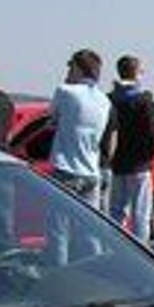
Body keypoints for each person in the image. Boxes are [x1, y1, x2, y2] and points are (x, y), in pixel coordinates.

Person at [105, 54, 154, 236]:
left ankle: (117, 250)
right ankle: (141, 253)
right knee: (140, 215)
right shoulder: (143, 101)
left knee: (116, 212)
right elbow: (152, 132)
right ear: (136, 73)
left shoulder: (110, 99)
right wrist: (150, 156)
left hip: (117, 164)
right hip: (139, 165)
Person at [48, 49, 111, 205]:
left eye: (70, 67)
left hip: (66, 170)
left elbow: (52, 120)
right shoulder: (104, 100)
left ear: (77, 68)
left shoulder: (65, 91)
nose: (68, 71)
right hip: (92, 173)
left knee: (58, 227)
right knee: (88, 227)